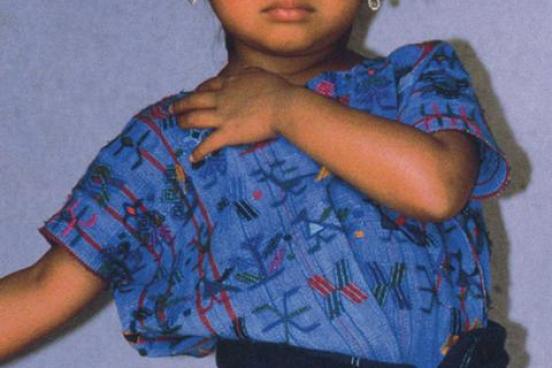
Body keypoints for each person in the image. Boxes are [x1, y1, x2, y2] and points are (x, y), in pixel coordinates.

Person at [0, 0, 511, 367]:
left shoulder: (418, 78)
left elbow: (436, 188)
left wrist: (283, 108)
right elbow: (46, 289)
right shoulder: (171, 137)